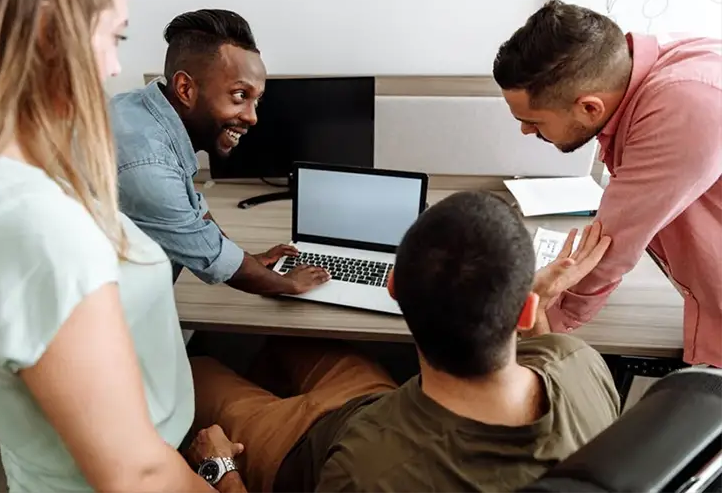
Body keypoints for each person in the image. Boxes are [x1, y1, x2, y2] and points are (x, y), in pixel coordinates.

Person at [0, 0, 247, 492]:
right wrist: (223, 476)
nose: (115, 65)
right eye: (114, 35)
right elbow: (136, 475)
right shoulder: (34, 227)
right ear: (51, 32)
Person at [189, 191, 620, 493]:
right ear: (525, 313)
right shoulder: (580, 362)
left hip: (307, 452)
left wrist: (221, 468)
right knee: (291, 344)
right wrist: (536, 300)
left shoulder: (367, 474)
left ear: (392, 288)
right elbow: (547, 353)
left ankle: (258, 429)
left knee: (200, 369)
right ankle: (270, 402)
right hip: (379, 408)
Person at [492, 0, 722, 367]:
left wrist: (544, 330)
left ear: (589, 108)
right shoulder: (640, 67)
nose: (525, 130)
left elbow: (609, 247)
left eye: (534, 121)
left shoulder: (684, 106)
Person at [109, 9, 329, 294]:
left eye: (256, 101)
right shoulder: (148, 163)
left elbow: (194, 216)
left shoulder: (140, 109)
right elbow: (214, 260)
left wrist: (247, 260)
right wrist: (290, 284)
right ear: (185, 88)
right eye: (240, 95)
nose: (252, 117)